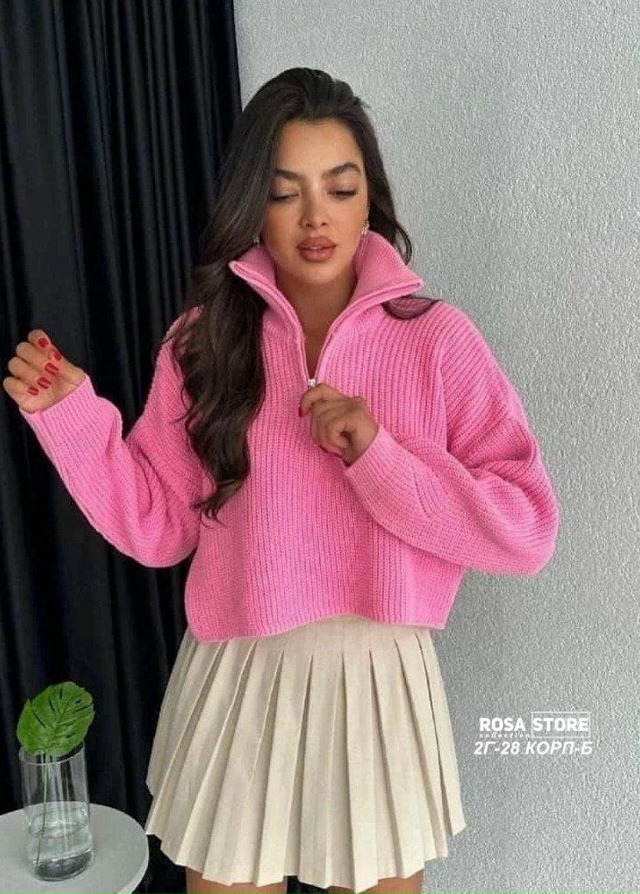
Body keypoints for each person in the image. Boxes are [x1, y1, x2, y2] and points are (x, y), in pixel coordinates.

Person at [3, 68, 559, 894]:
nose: (315, 216)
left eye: (340, 187)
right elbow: (161, 527)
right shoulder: (204, 340)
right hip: (240, 672)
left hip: (377, 681)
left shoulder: (437, 341)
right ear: (252, 207)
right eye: (284, 191)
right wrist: (74, 420)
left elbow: (525, 530)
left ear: (370, 201)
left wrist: (378, 456)